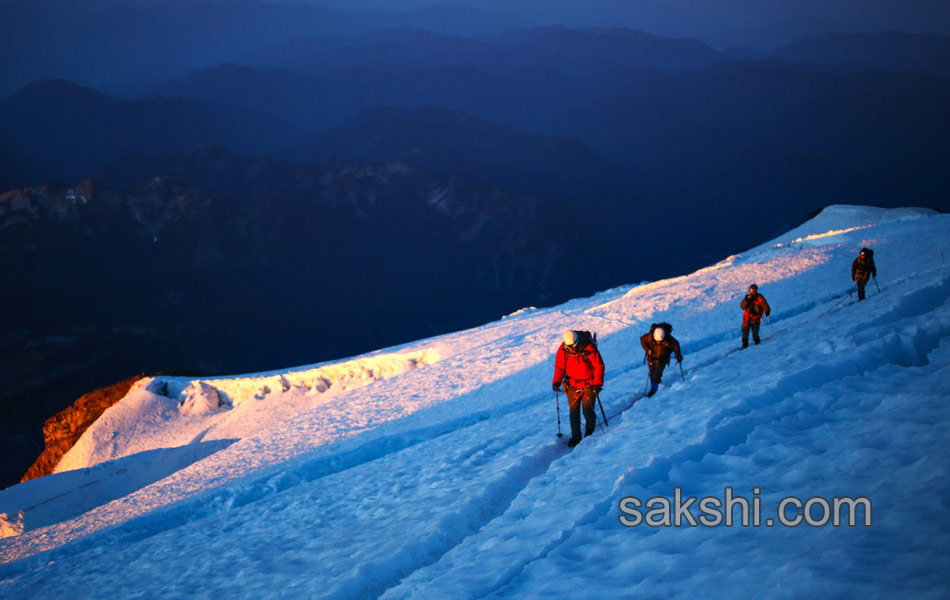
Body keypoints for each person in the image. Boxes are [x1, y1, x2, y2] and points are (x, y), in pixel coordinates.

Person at [552, 330, 604, 447]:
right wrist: (556, 381)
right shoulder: (563, 349)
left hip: (589, 385)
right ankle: (576, 437)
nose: (571, 349)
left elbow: (598, 366)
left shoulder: (589, 347)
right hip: (572, 385)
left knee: (588, 410)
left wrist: (597, 384)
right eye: (569, 347)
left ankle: (589, 434)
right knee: (574, 412)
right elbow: (560, 367)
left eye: (573, 347)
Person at [639, 323, 682, 397]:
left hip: (663, 360)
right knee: (652, 374)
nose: (659, 342)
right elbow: (642, 339)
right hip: (651, 359)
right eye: (657, 341)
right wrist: (647, 349)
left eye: (660, 341)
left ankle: (654, 391)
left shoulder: (669, 339)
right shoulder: (649, 337)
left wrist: (678, 356)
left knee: (656, 375)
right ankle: (656, 388)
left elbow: (676, 345)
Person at [740, 284, 771, 348]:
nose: (752, 292)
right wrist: (746, 300)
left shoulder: (759, 297)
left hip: (756, 319)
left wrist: (767, 311)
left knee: (755, 333)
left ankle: (757, 345)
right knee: (745, 332)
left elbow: (765, 305)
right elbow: (742, 306)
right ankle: (744, 346)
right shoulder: (747, 298)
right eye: (751, 290)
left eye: (754, 290)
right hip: (747, 318)